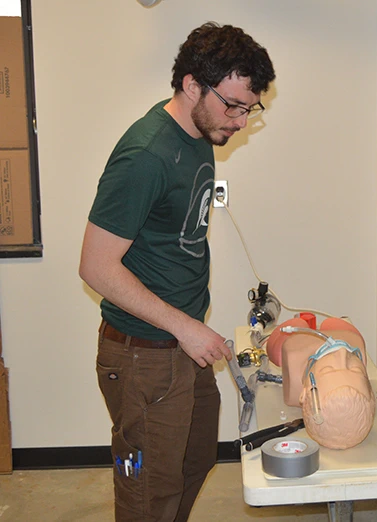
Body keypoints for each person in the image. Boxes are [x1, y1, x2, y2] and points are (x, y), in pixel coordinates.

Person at [79, 22, 275, 521]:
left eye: (250, 109)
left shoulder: (200, 135)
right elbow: (96, 267)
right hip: (143, 356)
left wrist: (189, 331)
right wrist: (185, 327)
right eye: (233, 106)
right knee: (147, 489)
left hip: (182, 348)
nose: (240, 121)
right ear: (192, 86)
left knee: (194, 461)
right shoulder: (146, 155)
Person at [266, 317, 376, 449]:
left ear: (304, 394)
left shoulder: (290, 348)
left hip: (295, 339)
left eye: (328, 369)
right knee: (334, 323)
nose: (342, 353)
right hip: (343, 331)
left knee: (298, 324)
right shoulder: (355, 341)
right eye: (356, 369)